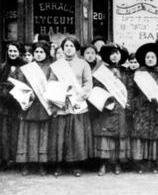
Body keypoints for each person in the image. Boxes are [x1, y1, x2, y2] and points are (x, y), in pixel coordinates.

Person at [48, 36, 93, 177]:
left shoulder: (83, 64)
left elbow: (88, 83)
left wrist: (81, 94)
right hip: (62, 104)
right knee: (60, 135)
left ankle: (76, 165)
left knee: (76, 135)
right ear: (62, 48)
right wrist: (61, 92)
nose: (68, 48)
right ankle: (59, 165)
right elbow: (51, 82)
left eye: (71, 46)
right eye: (66, 46)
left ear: (76, 48)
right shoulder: (56, 65)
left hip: (77, 104)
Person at [89, 43, 130, 176]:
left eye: (117, 53)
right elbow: (95, 88)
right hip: (106, 106)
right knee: (105, 136)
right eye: (111, 53)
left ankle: (117, 163)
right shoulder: (100, 72)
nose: (114, 56)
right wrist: (106, 99)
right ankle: (103, 163)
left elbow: (130, 88)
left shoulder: (125, 71)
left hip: (121, 107)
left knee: (119, 135)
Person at [131, 43, 158, 173]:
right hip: (142, 108)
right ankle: (141, 164)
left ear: (157, 59)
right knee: (141, 134)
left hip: (157, 108)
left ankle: (154, 163)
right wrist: (136, 103)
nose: (150, 59)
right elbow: (133, 91)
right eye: (148, 57)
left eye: (152, 57)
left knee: (155, 135)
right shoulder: (138, 74)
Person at [15, 41, 53, 176]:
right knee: (28, 135)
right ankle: (26, 164)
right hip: (29, 105)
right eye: (36, 52)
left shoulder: (50, 68)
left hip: (43, 105)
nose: (38, 54)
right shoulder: (26, 68)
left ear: (46, 53)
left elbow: (53, 85)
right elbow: (19, 84)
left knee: (43, 135)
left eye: (41, 52)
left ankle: (42, 164)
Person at [0, 41, 26, 169]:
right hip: (5, 104)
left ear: (20, 52)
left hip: (19, 104)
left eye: (15, 51)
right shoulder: (3, 67)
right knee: (4, 132)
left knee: (18, 132)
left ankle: (18, 160)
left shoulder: (26, 67)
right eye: (10, 51)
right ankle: (5, 159)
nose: (12, 53)